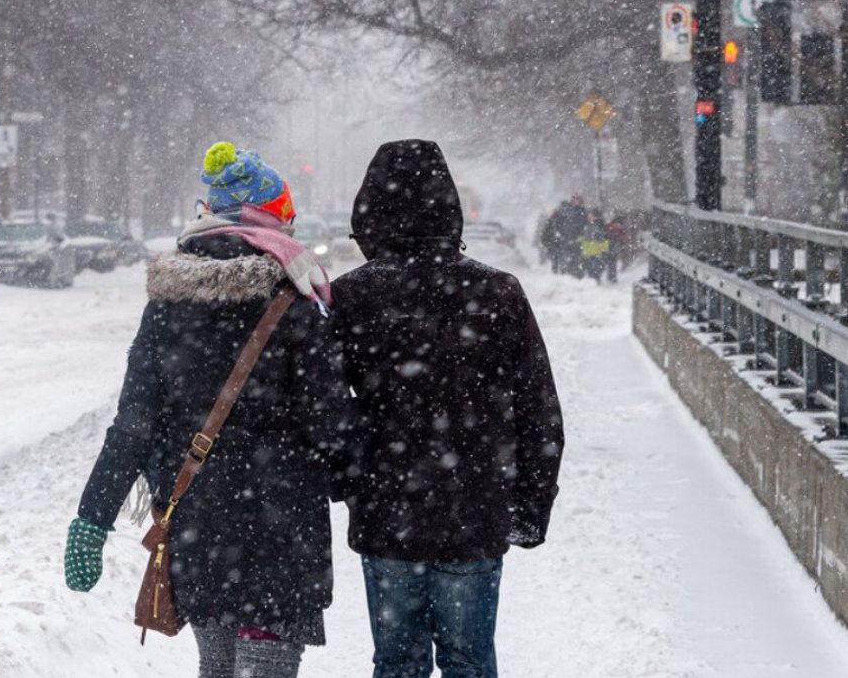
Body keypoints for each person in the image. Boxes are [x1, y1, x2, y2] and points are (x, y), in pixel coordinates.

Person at [65, 142, 351, 678]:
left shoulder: (169, 303)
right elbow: (330, 425)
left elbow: (133, 423)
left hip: (198, 527)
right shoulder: (296, 297)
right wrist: (355, 483)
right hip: (280, 535)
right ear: (271, 215)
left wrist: (92, 517)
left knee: (216, 670)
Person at [331, 140, 565, 678]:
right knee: (469, 662)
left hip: (388, 515)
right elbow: (540, 412)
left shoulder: (352, 298)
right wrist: (529, 504)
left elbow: (327, 411)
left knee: (397, 662)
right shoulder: (498, 293)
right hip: (475, 512)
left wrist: (346, 481)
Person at [577, 210, 611, 284]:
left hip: (596, 249)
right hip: (588, 250)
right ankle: (593, 281)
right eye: (589, 215)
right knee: (590, 267)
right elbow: (584, 236)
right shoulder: (587, 224)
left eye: (591, 215)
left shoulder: (598, 224)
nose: (589, 217)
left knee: (596, 267)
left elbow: (603, 237)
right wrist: (580, 240)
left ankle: (596, 280)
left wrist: (604, 248)